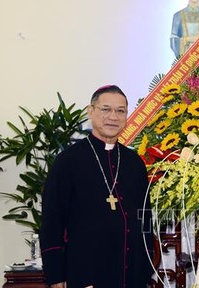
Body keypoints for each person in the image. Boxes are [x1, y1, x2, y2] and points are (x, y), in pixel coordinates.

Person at [40, 85, 154, 288]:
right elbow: (52, 220)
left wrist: (146, 268)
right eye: (106, 109)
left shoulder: (134, 162)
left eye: (120, 111)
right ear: (90, 111)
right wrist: (56, 274)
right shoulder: (68, 161)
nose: (113, 116)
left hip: (132, 275)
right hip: (86, 273)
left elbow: (144, 218)